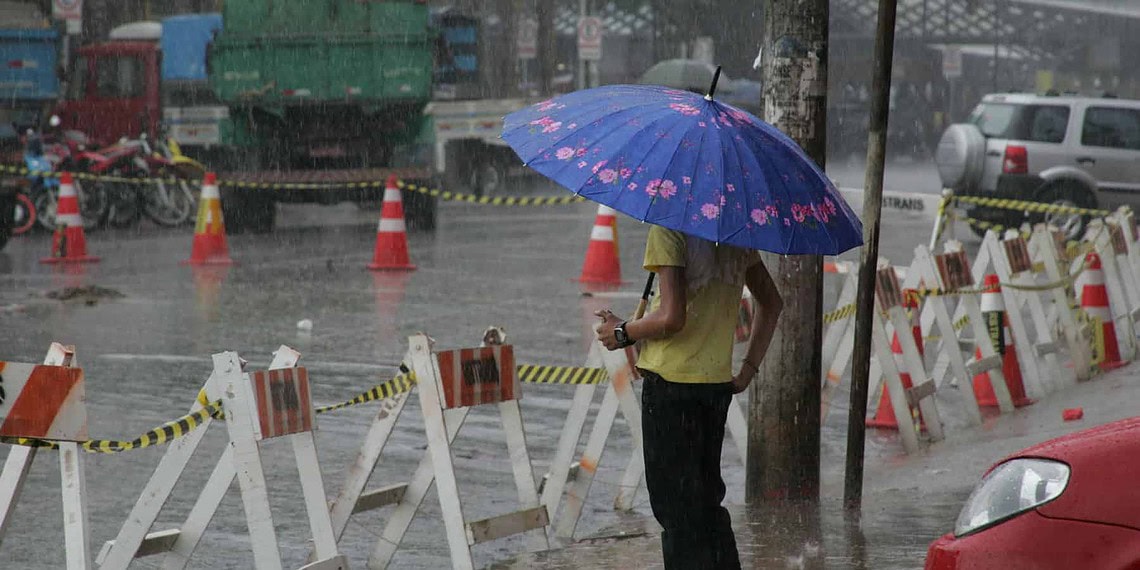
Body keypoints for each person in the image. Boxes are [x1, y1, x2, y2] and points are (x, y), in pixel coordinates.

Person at [595, 225, 783, 569]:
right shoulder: (737, 231)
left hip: (670, 388)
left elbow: (672, 317)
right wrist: (747, 370)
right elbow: (771, 303)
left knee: (678, 515)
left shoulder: (669, 229)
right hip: (715, 387)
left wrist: (622, 332)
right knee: (707, 507)